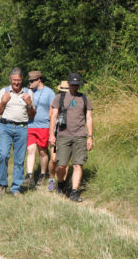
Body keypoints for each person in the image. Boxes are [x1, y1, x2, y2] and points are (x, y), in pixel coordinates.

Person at [49, 73, 94, 202]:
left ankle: (74, 191)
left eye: (77, 85)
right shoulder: (60, 98)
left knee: (77, 164)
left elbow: (89, 118)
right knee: (62, 165)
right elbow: (54, 116)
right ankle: (61, 184)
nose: (75, 87)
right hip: (63, 135)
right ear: (68, 84)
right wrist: (51, 134)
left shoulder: (84, 98)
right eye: (73, 84)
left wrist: (90, 137)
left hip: (80, 135)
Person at [0, 67, 35, 197]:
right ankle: (2, 184)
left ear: (22, 80)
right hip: (5, 126)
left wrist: (29, 104)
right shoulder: (4, 92)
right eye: (14, 80)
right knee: (3, 155)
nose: (16, 83)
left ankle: (16, 188)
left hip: (22, 128)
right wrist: (3, 102)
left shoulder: (28, 93)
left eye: (18, 80)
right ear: (10, 79)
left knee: (19, 159)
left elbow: (32, 115)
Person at [23, 71, 55, 187]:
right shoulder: (28, 92)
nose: (30, 83)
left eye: (32, 81)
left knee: (42, 152)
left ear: (39, 80)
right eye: (29, 81)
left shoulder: (49, 92)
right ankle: (30, 175)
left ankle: (42, 174)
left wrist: (52, 126)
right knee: (30, 150)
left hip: (44, 126)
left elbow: (52, 111)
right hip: (30, 125)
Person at [48, 81, 69, 192]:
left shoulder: (74, 100)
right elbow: (50, 115)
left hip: (69, 133)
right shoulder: (55, 100)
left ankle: (62, 183)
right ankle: (51, 179)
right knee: (54, 158)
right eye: (62, 91)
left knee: (66, 161)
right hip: (57, 132)